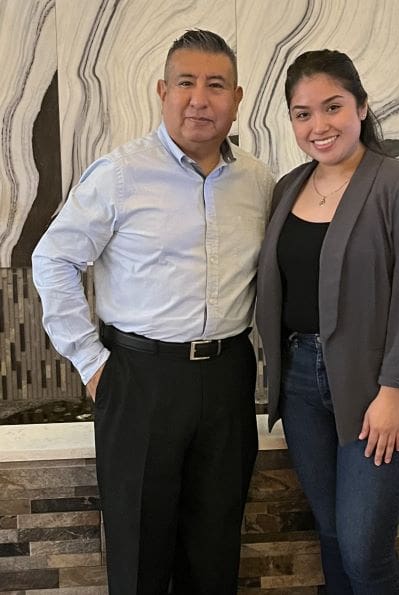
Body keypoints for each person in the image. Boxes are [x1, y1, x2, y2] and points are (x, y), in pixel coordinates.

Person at [32, 29, 274, 595]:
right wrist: (91, 361)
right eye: (186, 83)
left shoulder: (259, 182)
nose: (200, 98)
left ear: (237, 98)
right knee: (139, 552)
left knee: (215, 552)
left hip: (227, 377)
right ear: (162, 91)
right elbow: (54, 259)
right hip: (140, 379)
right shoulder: (120, 174)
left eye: (216, 85)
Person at [256, 50, 399, 595]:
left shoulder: (398, 185)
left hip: (375, 390)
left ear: (361, 107)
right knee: (334, 538)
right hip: (300, 386)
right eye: (303, 113)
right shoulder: (287, 187)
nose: (319, 125)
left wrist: (394, 393)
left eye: (333, 106)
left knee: (364, 549)